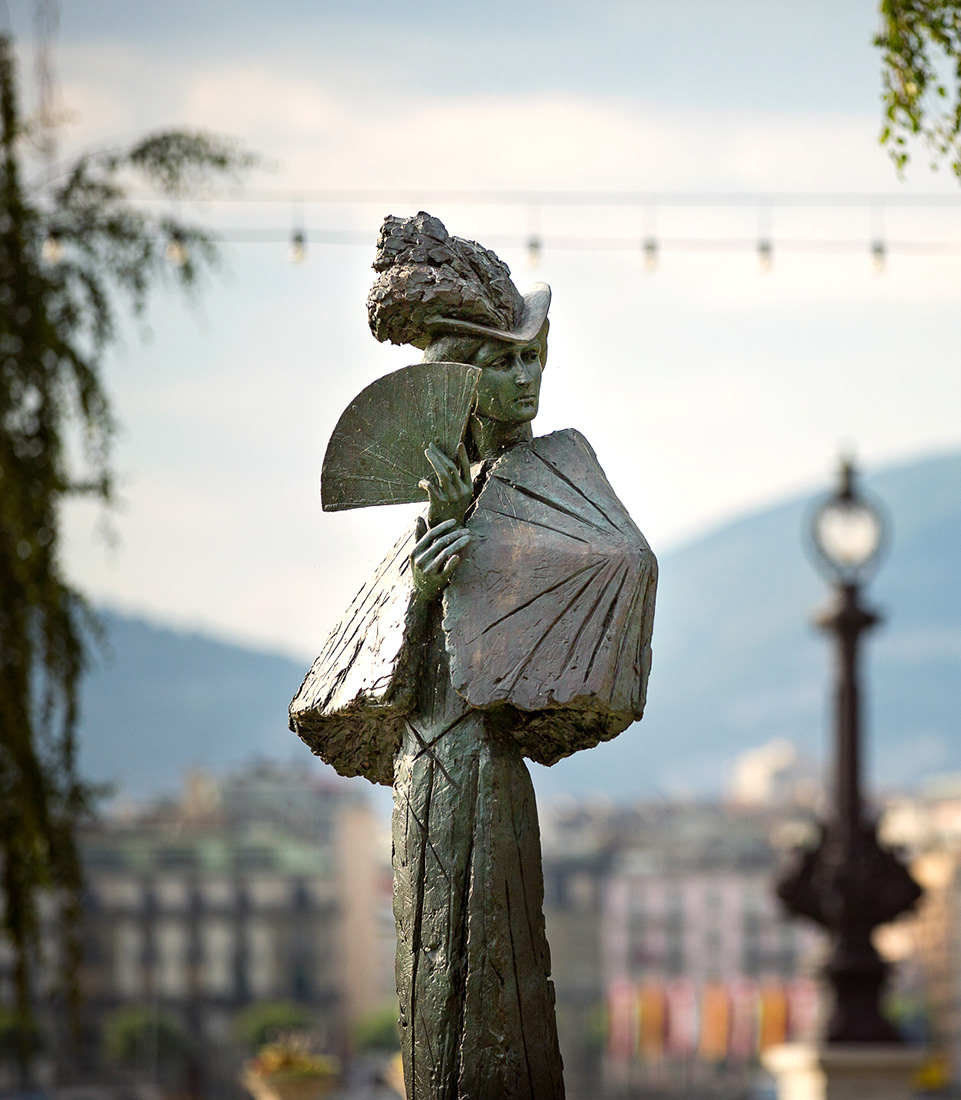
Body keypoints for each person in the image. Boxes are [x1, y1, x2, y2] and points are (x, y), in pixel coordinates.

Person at [291, 213, 656, 1100]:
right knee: (429, 967)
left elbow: (626, 559)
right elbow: (362, 687)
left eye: (536, 359)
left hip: (486, 768)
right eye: (504, 363)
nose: (528, 379)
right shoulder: (433, 511)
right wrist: (426, 580)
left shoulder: (562, 474)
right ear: (457, 384)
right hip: (426, 764)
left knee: (494, 963)